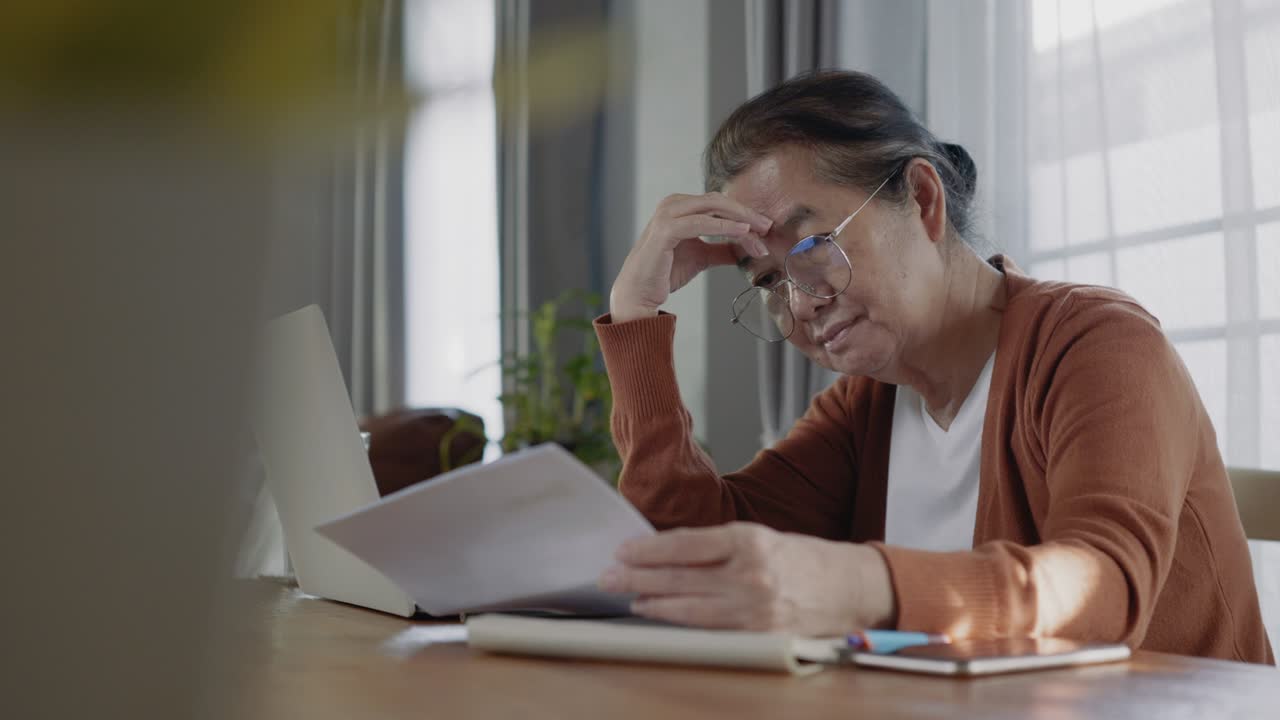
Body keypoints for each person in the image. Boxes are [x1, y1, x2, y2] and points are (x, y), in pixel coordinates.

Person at [592, 70, 1273, 664]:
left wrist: (857, 586)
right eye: (769, 280)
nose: (800, 301)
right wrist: (636, 318)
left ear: (922, 199)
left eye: (812, 246)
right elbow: (687, 556)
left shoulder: (1097, 346)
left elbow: (1104, 590)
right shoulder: (866, 408)